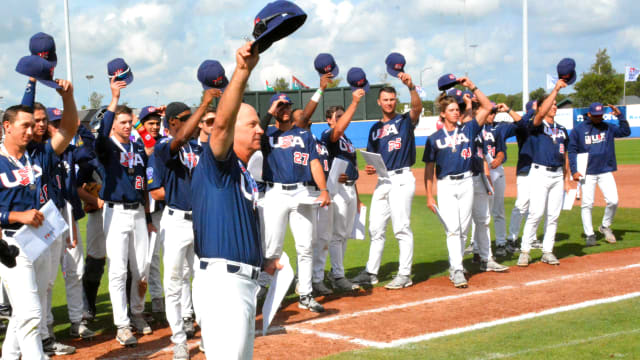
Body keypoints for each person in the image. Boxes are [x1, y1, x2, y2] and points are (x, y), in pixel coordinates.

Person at [191, 41, 276, 359]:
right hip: (224, 286)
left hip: (241, 282)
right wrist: (242, 70)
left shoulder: (243, 170)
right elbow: (223, 123)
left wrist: (265, 265)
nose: (259, 130)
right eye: (251, 124)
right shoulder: (217, 164)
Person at [0, 78, 78, 360]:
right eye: (25, 126)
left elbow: (69, 129)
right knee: (32, 314)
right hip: (10, 243)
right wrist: (13, 215)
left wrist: (68, 98)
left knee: (31, 307)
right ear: (6, 126)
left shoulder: (38, 153)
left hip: (42, 236)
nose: (31, 130)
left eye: (33, 125)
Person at [149, 89, 220, 359]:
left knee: (202, 279)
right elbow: (178, 141)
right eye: (186, 117)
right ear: (173, 122)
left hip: (201, 220)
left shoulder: (200, 148)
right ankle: (179, 338)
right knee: (175, 282)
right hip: (176, 221)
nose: (193, 120)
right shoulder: (164, 147)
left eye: (194, 117)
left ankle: (205, 332)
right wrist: (203, 104)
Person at [96, 77, 155, 346]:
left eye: (130, 122)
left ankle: (138, 313)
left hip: (138, 212)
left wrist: (147, 214)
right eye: (123, 122)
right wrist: (115, 99)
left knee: (141, 268)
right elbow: (102, 132)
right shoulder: (108, 147)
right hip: (116, 212)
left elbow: (145, 169)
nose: (127, 126)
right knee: (119, 270)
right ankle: (122, 324)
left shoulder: (138, 147)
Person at [260, 87, 331, 312]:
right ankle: (263, 289)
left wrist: (324, 189)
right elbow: (258, 131)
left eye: (287, 105)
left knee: (306, 245)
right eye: (280, 106)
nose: (284, 109)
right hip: (275, 192)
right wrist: (270, 112)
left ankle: (306, 293)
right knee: (272, 246)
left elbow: (314, 163)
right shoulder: (267, 136)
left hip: (301, 192)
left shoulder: (304, 135)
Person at [351, 71, 422, 289]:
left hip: (401, 178)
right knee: (376, 229)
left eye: (392, 99)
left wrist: (411, 88)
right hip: (382, 181)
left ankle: (404, 274)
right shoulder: (375, 129)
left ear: (396, 101)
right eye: (385, 100)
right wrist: (370, 168)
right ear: (379, 102)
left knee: (401, 228)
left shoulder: (404, 121)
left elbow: (417, 109)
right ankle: (371, 272)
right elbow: (373, 158)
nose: (389, 103)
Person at [423, 76, 494, 288]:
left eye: (457, 109)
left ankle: (456, 265)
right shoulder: (434, 138)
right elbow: (429, 169)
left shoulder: (469, 129)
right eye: (452, 110)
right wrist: (428, 195)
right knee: (452, 229)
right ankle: (456, 269)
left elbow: (488, 106)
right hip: (446, 184)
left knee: (462, 229)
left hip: (466, 183)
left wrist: (471, 86)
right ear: (443, 114)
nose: (456, 112)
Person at [517, 80, 570, 267]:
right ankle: (525, 250)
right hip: (539, 173)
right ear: (543, 107)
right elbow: (539, 113)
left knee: (553, 215)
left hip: (557, 174)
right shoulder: (536, 125)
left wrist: (567, 178)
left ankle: (548, 251)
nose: (554, 107)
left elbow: (566, 155)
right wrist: (555, 90)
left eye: (556, 104)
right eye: (552, 104)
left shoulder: (562, 130)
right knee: (536, 213)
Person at [568, 102, 630, 246]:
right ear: (589, 114)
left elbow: (625, 132)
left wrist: (620, 115)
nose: (598, 117)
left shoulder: (608, 127)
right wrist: (574, 170)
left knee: (613, 200)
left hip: (605, 170)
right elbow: (571, 150)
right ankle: (589, 234)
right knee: (587, 204)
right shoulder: (579, 130)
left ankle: (605, 226)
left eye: (600, 115)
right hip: (587, 172)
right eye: (596, 115)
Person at [505, 100, 542, 253]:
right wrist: (531, 112)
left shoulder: (542, 127)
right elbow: (521, 122)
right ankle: (511, 239)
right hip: (525, 170)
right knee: (522, 205)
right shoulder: (523, 128)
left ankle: (531, 238)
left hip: (541, 170)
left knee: (537, 207)